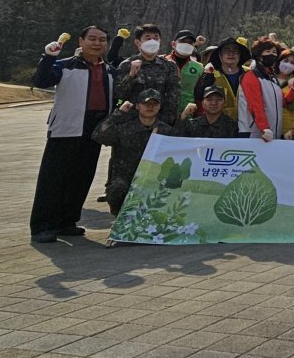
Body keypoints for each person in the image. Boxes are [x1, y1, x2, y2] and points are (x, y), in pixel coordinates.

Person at [29, 26, 116, 243]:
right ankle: (43, 225)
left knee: (81, 177)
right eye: (92, 39)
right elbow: (40, 80)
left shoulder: (110, 70)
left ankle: (67, 221)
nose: (97, 44)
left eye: (102, 40)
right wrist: (48, 57)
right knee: (54, 179)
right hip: (66, 129)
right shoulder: (65, 65)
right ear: (81, 41)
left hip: (94, 130)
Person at [92, 89, 171, 215]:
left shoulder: (166, 131)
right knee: (117, 190)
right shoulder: (125, 128)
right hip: (126, 180)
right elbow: (98, 135)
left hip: (153, 181)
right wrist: (118, 113)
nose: (150, 107)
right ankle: (120, 217)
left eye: (154, 104)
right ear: (138, 106)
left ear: (159, 107)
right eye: (146, 104)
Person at [117, 24, 181, 126]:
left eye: (156, 38)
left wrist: (165, 121)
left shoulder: (169, 66)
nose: (152, 41)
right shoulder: (127, 65)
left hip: (160, 122)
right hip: (132, 123)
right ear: (138, 42)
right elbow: (119, 94)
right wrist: (131, 75)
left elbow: (174, 96)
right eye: (148, 38)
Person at [238, 37, 294, 141]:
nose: (272, 54)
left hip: (272, 134)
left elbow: (281, 101)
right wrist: (264, 128)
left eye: (274, 52)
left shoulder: (273, 78)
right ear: (259, 55)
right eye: (268, 51)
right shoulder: (251, 76)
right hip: (254, 134)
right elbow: (254, 105)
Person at [195, 37, 248, 121]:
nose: (231, 54)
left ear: (240, 55)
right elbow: (199, 95)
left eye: (235, 51)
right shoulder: (211, 73)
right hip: (219, 126)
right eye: (227, 51)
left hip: (247, 124)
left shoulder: (249, 73)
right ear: (220, 55)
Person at [166, 29, 204, 115]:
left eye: (190, 43)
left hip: (188, 114)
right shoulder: (163, 62)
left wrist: (199, 114)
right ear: (173, 44)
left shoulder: (199, 67)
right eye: (183, 41)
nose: (186, 45)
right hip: (164, 114)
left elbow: (199, 95)